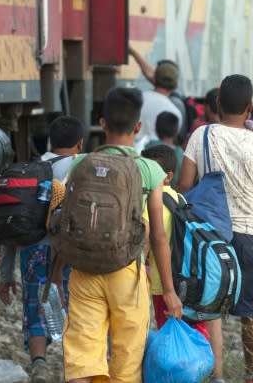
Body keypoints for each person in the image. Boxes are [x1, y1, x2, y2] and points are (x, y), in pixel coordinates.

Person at [62, 87, 182, 383]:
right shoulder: (149, 169)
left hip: (84, 270)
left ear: (101, 123)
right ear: (138, 127)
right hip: (127, 272)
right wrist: (168, 290)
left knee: (83, 356)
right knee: (127, 359)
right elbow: (158, 237)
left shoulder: (79, 164)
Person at [178, 74, 253, 383]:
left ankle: (216, 375)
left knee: (208, 308)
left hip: (210, 236)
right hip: (252, 236)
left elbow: (184, 185)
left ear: (218, 104)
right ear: (250, 107)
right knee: (252, 311)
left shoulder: (201, 135)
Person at [0, 115, 83, 383]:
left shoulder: (31, 168)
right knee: (75, 306)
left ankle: (40, 364)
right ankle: (76, 365)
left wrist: (6, 274)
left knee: (35, 305)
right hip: (72, 252)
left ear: (49, 142)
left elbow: (11, 222)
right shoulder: (84, 166)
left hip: (34, 250)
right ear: (79, 144)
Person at [140, 144, 209, 339]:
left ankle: (176, 368)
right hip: (189, 277)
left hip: (164, 282)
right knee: (194, 331)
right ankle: (201, 366)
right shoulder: (181, 199)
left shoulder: (153, 202)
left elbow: (146, 234)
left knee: (169, 333)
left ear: (168, 177)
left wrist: (137, 265)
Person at [128, 46, 184, 151]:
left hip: (132, 154)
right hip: (157, 160)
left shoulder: (135, 101)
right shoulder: (175, 113)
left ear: (153, 79)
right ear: (175, 85)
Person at [145, 111, 184, 187]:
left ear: (156, 130)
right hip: (172, 194)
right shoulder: (180, 153)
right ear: (177, 131)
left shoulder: (149, 146)